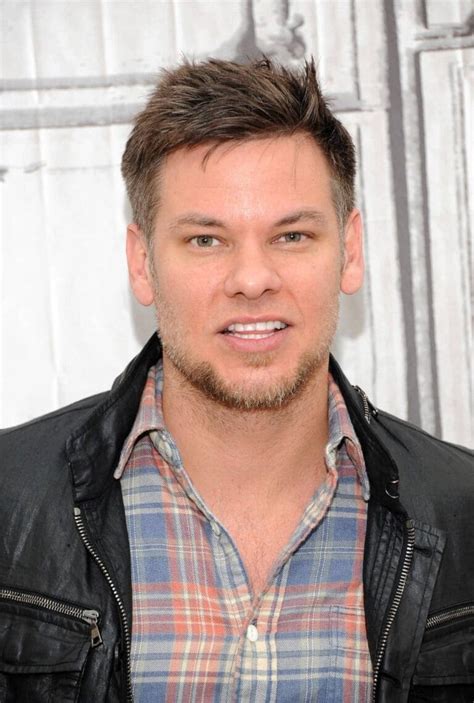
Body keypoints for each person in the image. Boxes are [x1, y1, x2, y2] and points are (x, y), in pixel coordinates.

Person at [0, 57, 472, 703]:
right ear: (142, 263)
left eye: (292, 235)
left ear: (351, 251)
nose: (252, 279)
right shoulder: (10, 505)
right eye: (206, 240)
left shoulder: (463, 511)